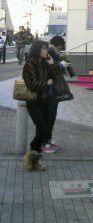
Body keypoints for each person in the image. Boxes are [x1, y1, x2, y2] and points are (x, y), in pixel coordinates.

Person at [22, 41, 60, 172]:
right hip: (34, 102)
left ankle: (35, 161)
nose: (46, 51)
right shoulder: (30, 64)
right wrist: (46, 83)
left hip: (45, 101)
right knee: (43, 129)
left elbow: (56, 76)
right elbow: (32, 84)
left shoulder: (45, 63)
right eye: (44, 49)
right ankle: (29, 156)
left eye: (46, 48)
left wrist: (52, 64)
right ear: (37, 50)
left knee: (43, 131)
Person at [44, 35, 71, 153]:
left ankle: (48, 141)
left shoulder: (54, 54)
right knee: (48, 118)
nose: (59, 50)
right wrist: (61, 65)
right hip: (49, 92)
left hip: (52, 91)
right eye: (59, 48)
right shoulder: (49, 54)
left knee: (51, 117)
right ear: (56, 46)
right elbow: (50, 70)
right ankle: (44, 143)